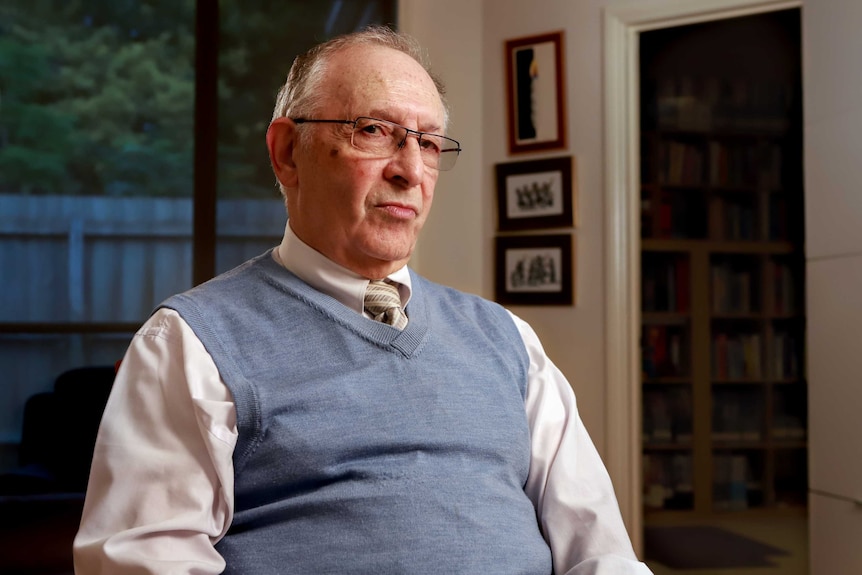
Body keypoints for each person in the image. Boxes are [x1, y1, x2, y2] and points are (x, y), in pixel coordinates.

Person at [73, 25, 653, 575]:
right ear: (287, 152)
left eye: (427, 143)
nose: (409, 170)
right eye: (373, 130)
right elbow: (143, 562)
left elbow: (599, 549)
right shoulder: (191, 342)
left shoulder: (508, 340)